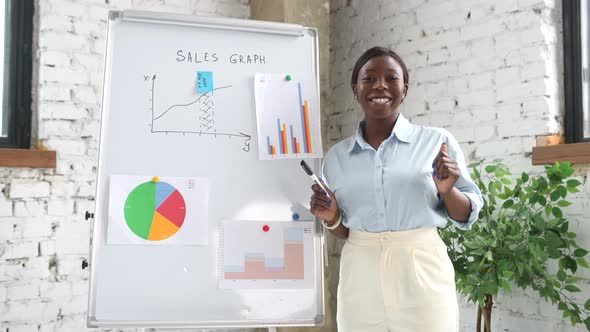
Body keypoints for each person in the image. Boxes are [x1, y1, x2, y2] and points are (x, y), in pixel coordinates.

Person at [309, 46, 483, 332]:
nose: (380, 85)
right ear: (356, 88)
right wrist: (332, 217)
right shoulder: (337, 157)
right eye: (369, 79)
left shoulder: (436, 141)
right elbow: (345, 231)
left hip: (421, 266)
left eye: (391, 78)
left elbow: (465, 216)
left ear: (404, 88)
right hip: (360, 271)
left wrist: (448, 191)